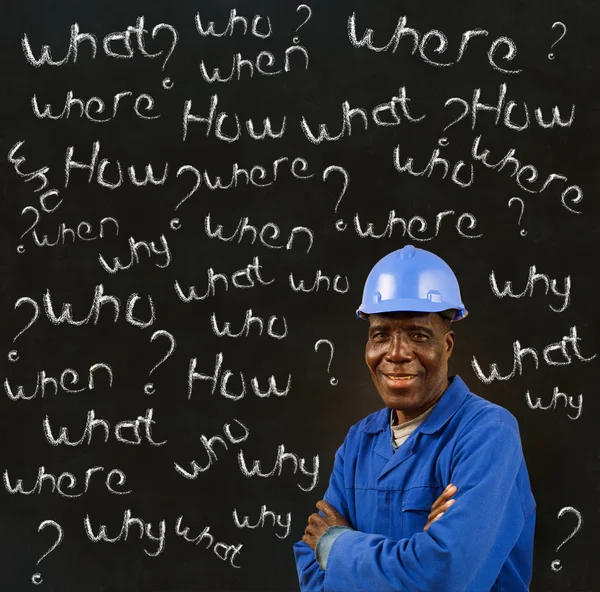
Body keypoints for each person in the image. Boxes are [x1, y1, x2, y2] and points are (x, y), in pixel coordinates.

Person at [293, 245, 536, 591]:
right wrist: (416, 554)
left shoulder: (488, 435)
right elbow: (310, 568)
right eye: (380, 336)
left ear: (447, 345)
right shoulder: (358, 442)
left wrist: (336, 547)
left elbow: (445, 576)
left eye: (418, 335)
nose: (395, 353)